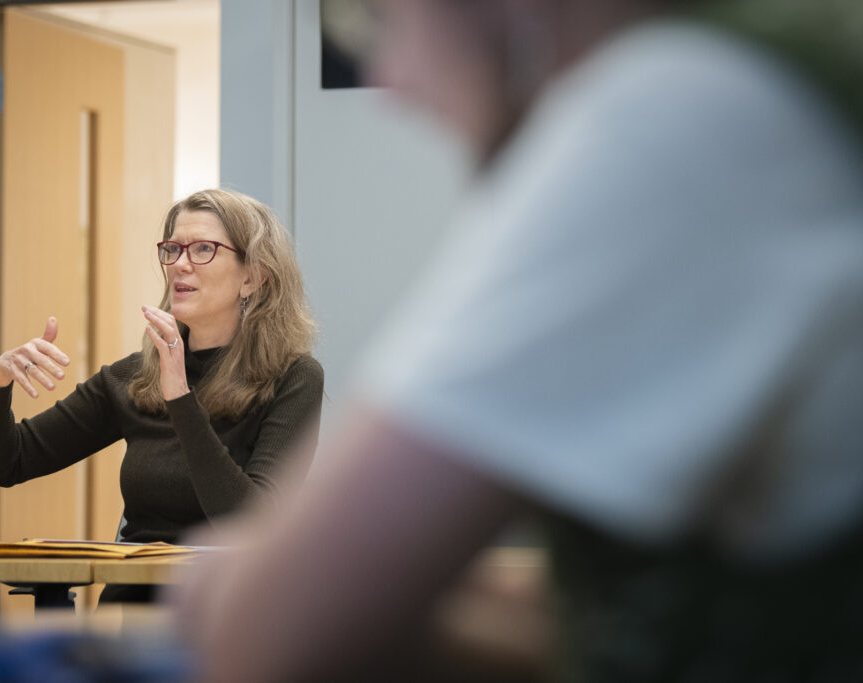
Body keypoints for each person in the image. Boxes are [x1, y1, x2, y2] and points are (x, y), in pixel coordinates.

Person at [173, 0, 863, 680]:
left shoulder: (674, 113)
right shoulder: (779, 72)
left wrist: (267, 588)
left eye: (382, 18)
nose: (395, 79)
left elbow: (267, 633)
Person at [0, 188, 323, 604]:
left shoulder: (292, 379)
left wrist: (181, 398)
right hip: (133, 614)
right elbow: (1, 464)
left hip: (228, 613)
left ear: (253, 276)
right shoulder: (132, 378)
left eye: (204, 249)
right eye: (172, 249)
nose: (180, 265)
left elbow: (249, 522)